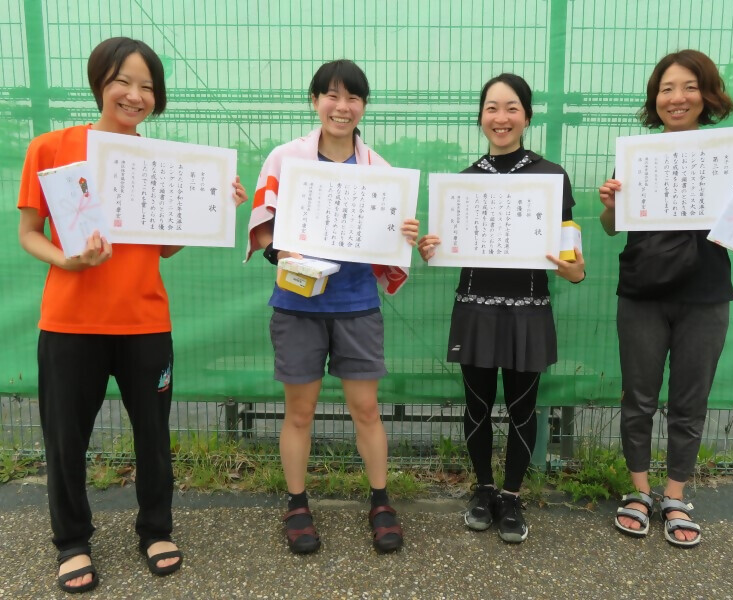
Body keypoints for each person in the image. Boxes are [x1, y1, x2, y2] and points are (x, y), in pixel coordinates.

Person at [17, 37, 248, 593]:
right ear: (100, 81)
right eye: (124, 81)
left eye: (148, 87)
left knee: (153, 433)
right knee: (65, 437)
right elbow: (29, 234)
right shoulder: (52, 148)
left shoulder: (160, 162)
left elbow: (163, 248)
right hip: (70, 324)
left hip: (146, 324)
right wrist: (67, 261)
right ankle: (71, 541)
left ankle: (155, 529)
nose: (135, 95)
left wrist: (212, 207)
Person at [598, 49, 733, 548]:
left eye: (688, 87)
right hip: (641, 292)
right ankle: (638, 492)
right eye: (666, 89)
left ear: (707, 95)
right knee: (637, 397)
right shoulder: (637, 154)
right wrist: (612, 206)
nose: (676, 98)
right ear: (654, 99)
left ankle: (675, 495)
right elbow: (614, 228)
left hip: (705, 293)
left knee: (689, 401)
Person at [245, 59, 419, 554]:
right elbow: (264, 231)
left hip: (357, 304)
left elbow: (393, 236)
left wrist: (403, 233)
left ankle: (381, 501)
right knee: (299, 413)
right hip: (297, 304)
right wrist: (285, 253)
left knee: (366, 408)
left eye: (353, 98)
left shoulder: (378, 169)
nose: (342, 107)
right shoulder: (286, 159)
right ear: (315, 99)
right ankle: (297, 504)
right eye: (332, 96)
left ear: (363, 106)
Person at [417, 73, 585, 544]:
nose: (501, 117)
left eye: (512, 107)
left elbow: (570, 251)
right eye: (491, 108)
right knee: (475, 406)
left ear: (527, 116)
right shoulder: (465, 181)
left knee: (522, 408)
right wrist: (431, 248)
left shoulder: (552, 176)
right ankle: (483, 489)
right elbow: (445, 246)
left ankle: (511, 495)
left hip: (529, 307)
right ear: (481, 118)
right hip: (474, 306)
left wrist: (574, 269)